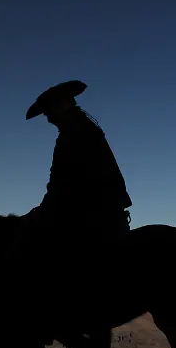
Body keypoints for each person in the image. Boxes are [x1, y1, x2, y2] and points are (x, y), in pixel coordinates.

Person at [22, 80, 132, 250]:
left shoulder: (74, 134)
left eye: (48, 113)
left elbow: (61, 182)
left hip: (94, 216)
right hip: (105, 211)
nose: (49, 119)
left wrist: (43, 211)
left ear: (61, 106)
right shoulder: (83, 128)